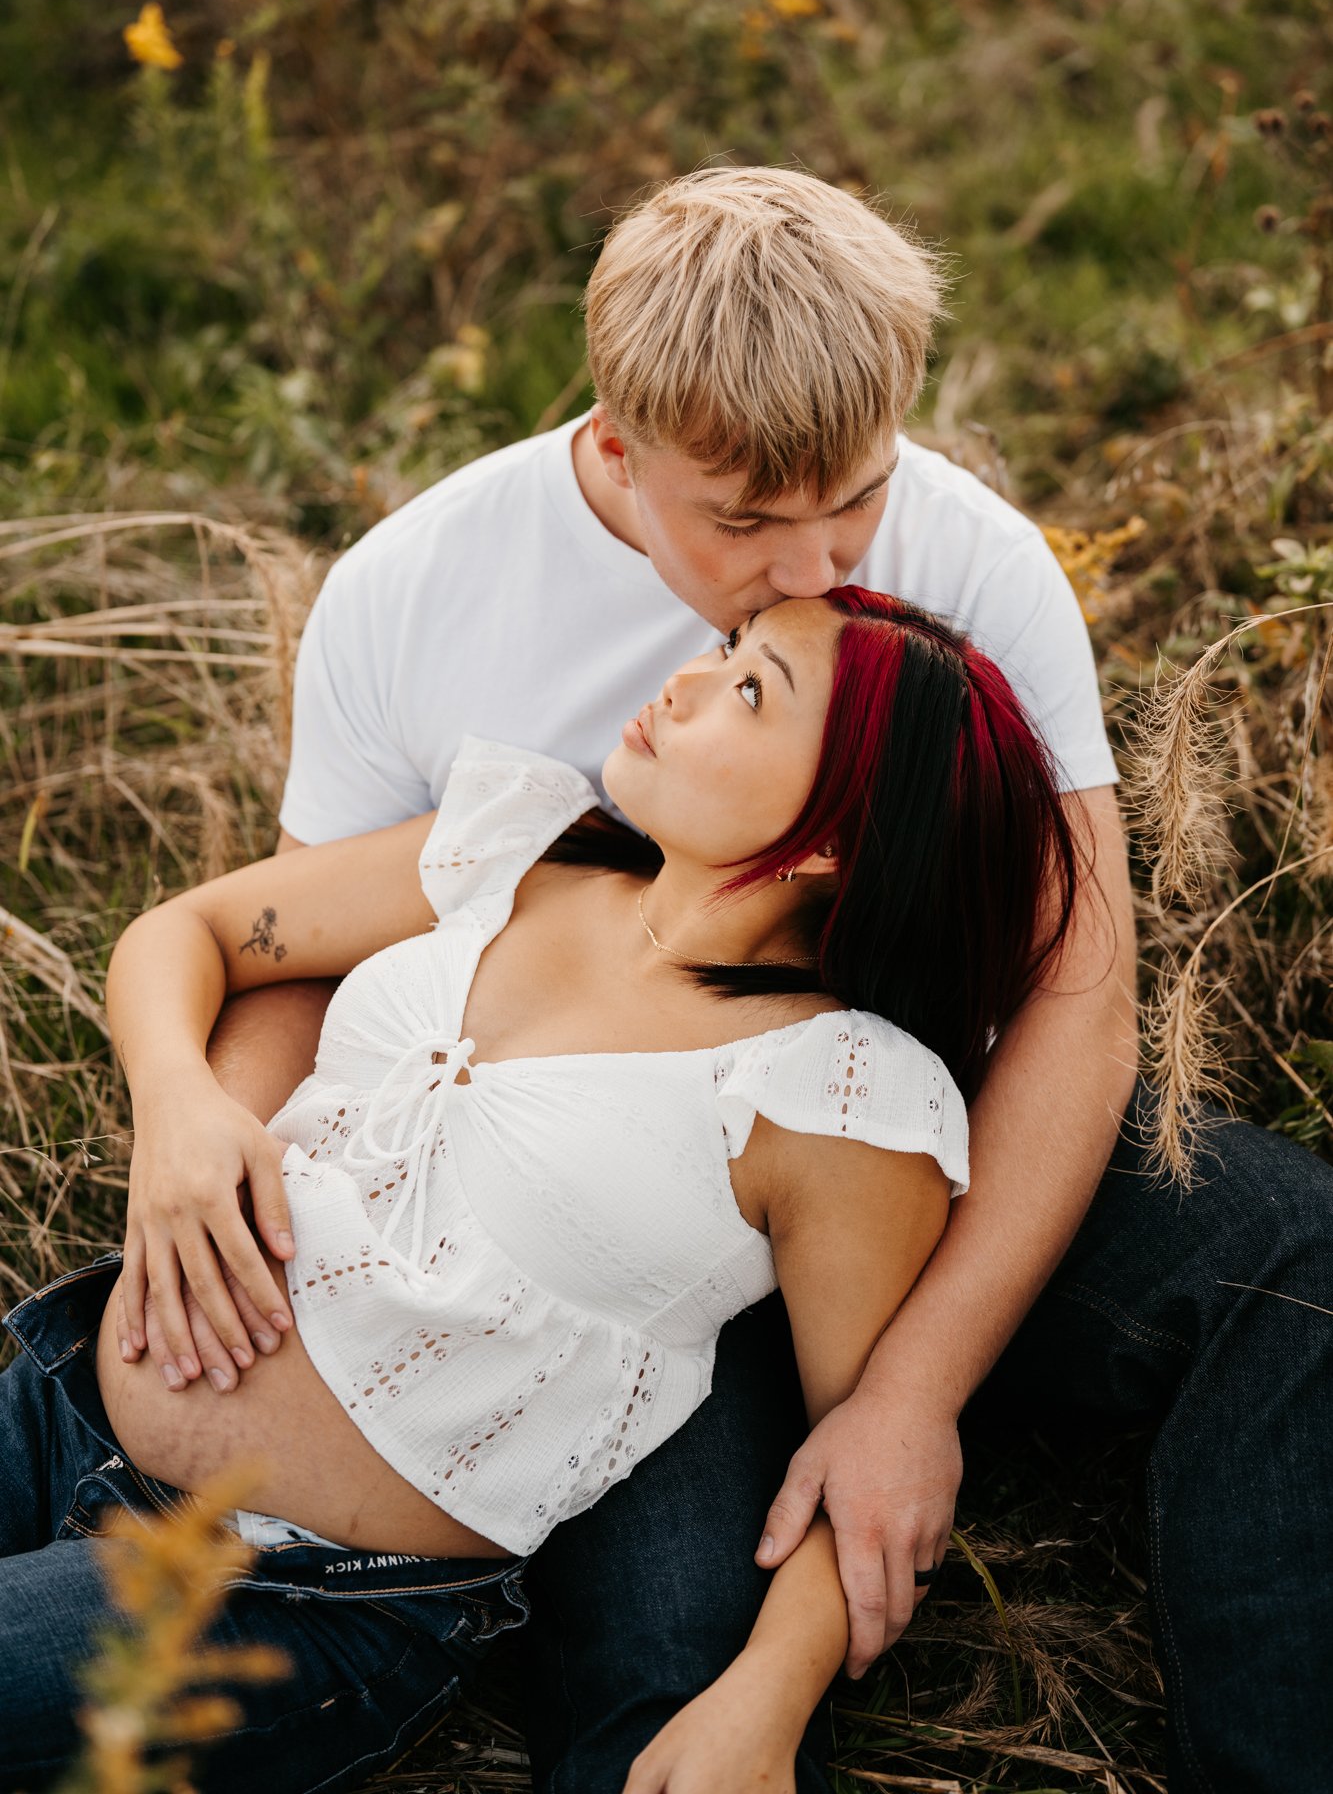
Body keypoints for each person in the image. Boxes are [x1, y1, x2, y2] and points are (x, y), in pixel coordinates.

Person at [105, 168, 1333, 1791]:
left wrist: (908, 1389)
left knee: (1286, 1255)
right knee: (662, 1698)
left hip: (895, 1161)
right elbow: (294, 949)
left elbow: (1076, 996)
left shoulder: (974, 562)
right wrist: (203, 1145)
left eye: (857, 498)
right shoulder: (414, 595)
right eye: (747, 520)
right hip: (571, 1223)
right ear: (616, 450)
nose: (812, 566)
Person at [1, 589, 1078, 1791]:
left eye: (752, 688)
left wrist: (767, 1696)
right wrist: (181, 1105)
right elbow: (191, 932)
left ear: (835, 838)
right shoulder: (521, 850)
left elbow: (860, 1455)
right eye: (725, 650)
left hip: (277, 1588)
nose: (686, 679)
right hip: (59, 1386)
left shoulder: (834, 1094)